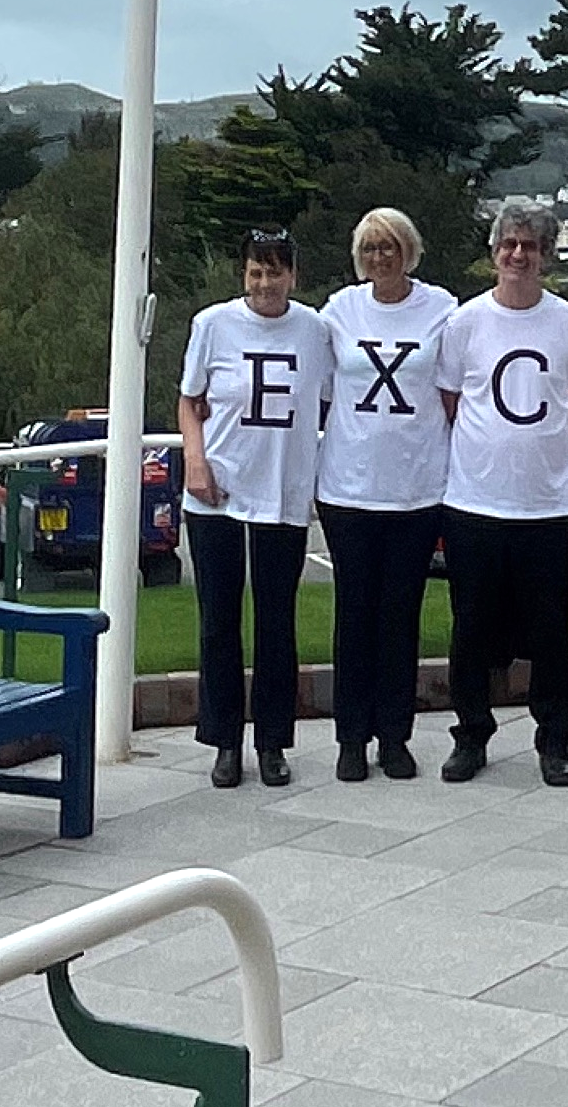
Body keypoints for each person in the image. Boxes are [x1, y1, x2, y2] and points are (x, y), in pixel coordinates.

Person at [435, 199, 568, 788]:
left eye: (530, 246)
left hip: (547, 508)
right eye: (509, 244)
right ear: (494, 251)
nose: (518, 255)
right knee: (470, 628)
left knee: (549, 630)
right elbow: (452, 401)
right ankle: (470, 735)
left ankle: (554, 741)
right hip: (475, 504)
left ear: (546, 256)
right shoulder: (465, 322)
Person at [177, 227, 332, 789]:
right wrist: (195, 461)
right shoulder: (213, 324)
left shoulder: (315, 330)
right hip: (219, 488)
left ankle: (272, 741)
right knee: (218, 622)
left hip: (282, 490)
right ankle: (224, 740)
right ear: (244, 274)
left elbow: (335, 399)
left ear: (293, 275)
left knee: (276, 621)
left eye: (275, 271)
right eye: (255, 272)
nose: (265, 283)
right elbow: (190, 400)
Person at [317, 208, 457, 784]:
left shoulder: (443, 310)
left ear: (410, 250)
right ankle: (351, 736)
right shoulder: (339, 312)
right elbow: (320, 386)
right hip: (349, 487)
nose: (381, 257)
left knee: (401, 615)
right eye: (371, 247)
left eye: (391, 246)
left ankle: (394, 736)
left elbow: (452, 393)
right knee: (355, 614)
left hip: (417, 489)